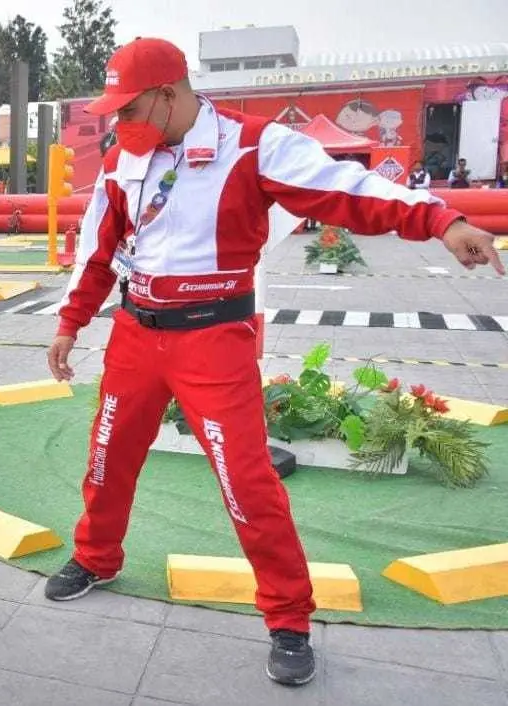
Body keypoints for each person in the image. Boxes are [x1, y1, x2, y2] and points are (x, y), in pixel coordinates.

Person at [43, 37, 502, 688]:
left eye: (130, 107)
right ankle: (95, 556)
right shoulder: (125, 157)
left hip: (213, 338)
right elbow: (98, 246)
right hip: (135, 335)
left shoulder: (254, 144)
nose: (119, 122)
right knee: (107, 454)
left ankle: (288, 618)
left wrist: (439, 219)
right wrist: (71, 322)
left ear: (169, 95)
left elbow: (347, 189)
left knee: (247, 482)